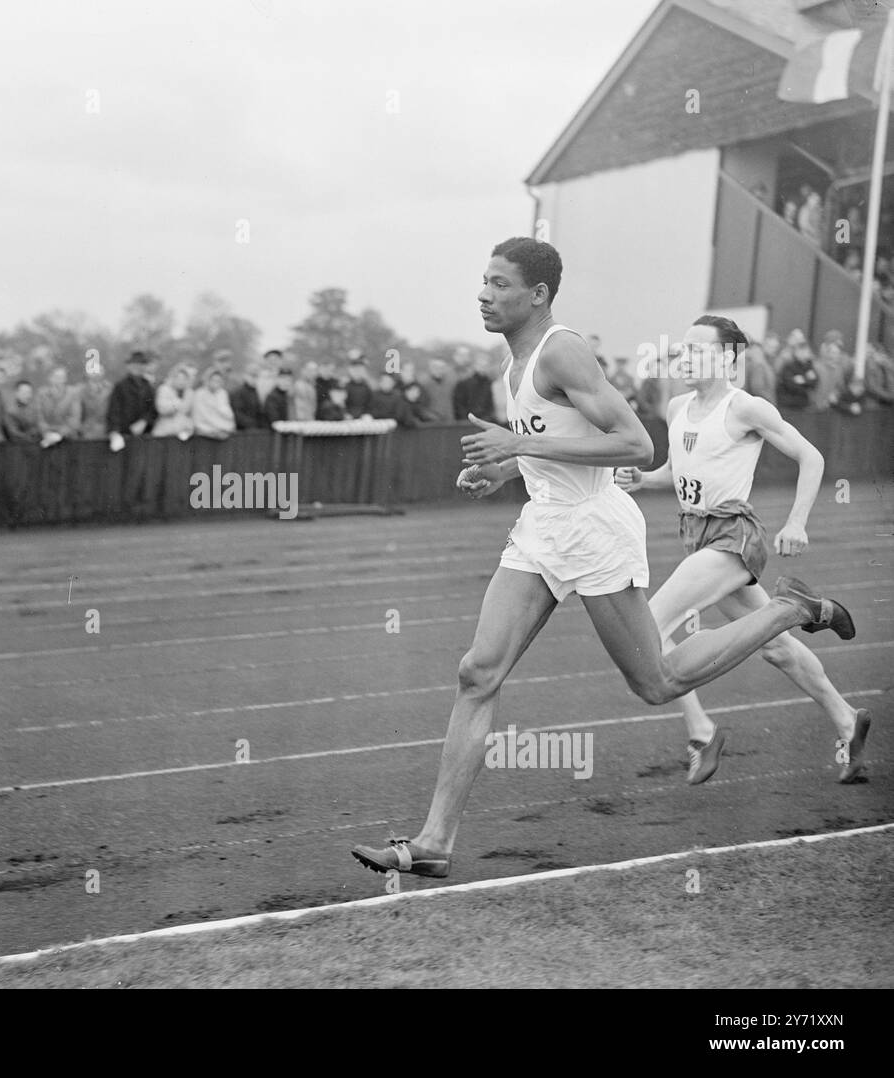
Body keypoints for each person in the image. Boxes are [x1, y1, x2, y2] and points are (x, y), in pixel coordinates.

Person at [350, 237, 854, 879]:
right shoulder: (513, 364)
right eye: (483, 280)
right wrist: (506, 469)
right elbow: (554, 444)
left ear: (537, 295)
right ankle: (434, 842)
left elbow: (636, 444)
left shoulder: (562, 349)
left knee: (657, 682)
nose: (484, 293)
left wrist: (516, 443)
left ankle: (786, 610)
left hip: (595, 530)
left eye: (500, 283)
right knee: (477, 672)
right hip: (542, 526)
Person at [616, 315, 869, 785]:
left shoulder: (746, 408)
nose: (684, 358)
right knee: (776, 649)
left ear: (729, 358)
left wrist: (797, 522)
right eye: (682, 350)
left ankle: (701, 732)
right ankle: (846, 719)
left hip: (734, 536)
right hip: (697, 535)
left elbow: (811, 457)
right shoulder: (676, 408)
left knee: (646, 627)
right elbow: (678, 469)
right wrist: (644, 478)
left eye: (697, 351)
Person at [106, 351, 158, 451]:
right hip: (124, 434)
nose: (137, 367)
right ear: (129, 366)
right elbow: (114, 410)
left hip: (144, 435)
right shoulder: (120, 386)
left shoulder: (148, 386)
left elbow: (152, 409)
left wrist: (144, 421)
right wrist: (115, 432)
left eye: (140, 364)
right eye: (134, 364)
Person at [34, 365, 81, 446]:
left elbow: (75, 418)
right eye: (56, 376)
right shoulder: (41, 393)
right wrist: (46, 433)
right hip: (46, 438)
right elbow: (38, 416)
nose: (59, 380)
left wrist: (59, 435)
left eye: (62, 377)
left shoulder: (73, 393)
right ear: (50, 378)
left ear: (66, 379)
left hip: (68, 439)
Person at [776, 332, 818, 410]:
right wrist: (806, 383)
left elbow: (814, 382)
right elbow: (791, 385)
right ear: (795, 352)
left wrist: (803, 380)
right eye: (800, 351)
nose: (803, 353)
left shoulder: (810, 366)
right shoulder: (789, 366)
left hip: (804, 404)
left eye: (805, 351)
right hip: (788, 404)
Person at [191, 367, 235, 439]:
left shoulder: (223, 393)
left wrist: (225, 428)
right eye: (213, 380)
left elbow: (228, 414)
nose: (216, 383)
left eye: (218, 380)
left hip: (223, 433)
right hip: (204, 436)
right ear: (207, 380)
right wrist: (213, 431)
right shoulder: (199, 394)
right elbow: (199, 417)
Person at [153, 364, 195, 438]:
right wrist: (178, 402)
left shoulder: (189, 393)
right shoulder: (164, 389)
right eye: (178, 378)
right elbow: (163, 409)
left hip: (183, 435)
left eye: (184, 379)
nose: (181, 382)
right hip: (164, 434)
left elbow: (191, 414)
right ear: (172, 378)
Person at [77, 366, 113, 440]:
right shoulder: (79, 391)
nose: (96, 375)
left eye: (98, 373)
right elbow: (76, 413)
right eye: (93, 373)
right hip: (84, 431)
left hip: (106, 431)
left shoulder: (111, 389)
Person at [228, 363, 267, 430]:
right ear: (245, 376)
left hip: (255, 430)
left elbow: (259, 412)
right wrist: (253, 425)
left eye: (257, 376)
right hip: (242, 431)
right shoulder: (238, 392)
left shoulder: (255, 392)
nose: (254, 379)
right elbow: (237, 414)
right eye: (252, 376)